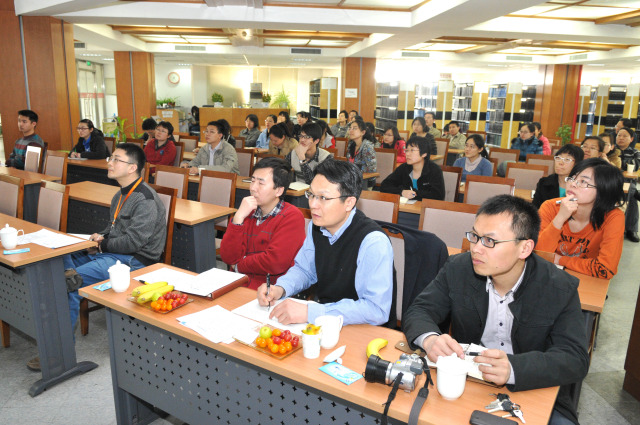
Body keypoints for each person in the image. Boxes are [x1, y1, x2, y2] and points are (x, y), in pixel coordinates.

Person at [403, 195, 589, 425]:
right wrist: (430, 339)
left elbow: (574, 358)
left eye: (489, 241)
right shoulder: (458, 268)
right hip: (467, 382)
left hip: (533, 388)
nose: (476, 249)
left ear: (525, 248)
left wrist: (513, 368)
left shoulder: (558, 287)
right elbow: (420, 310)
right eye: (474, 236)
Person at [59, 144, 166, 365]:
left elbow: (134, 242)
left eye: (116, 159)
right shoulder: (120, 194)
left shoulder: (145, 199)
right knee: (59, 258)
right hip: (115, 253)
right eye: (111, 158)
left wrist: (102, 245)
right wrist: (101, 236)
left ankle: (61, 353)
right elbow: (114, 226)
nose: (110, 163)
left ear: (132, 168)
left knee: (69, 282)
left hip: (135, 260)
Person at [256, 159, 395, 327]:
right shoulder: (316, 226)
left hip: (363, 329)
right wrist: (280, 288)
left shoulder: (373, 242)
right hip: (325, 321)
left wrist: (311, 312)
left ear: (349, 202)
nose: (313, 205)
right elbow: (305, 270)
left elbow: (376, 310)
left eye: (323, 197)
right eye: (311, 195)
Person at [220, 157, 305, 290]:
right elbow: (228, 257)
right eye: (252, 181)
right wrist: (238, 219)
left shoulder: (292, 217)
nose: (253, 188)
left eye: (261, 183)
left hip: (268, 290)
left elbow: (274, 262)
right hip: (236, 284)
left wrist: (239, 265)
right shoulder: (247, 211)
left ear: (279, 190)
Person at [537, 158, 625, 279]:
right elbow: (539, 255)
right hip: (549, 275)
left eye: (583, 181)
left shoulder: (613, 217)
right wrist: (560, 218)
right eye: (572, 178)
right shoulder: (551, 207)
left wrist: (560, 259)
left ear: (603, 190)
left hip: (586, 279)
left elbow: (605, 269)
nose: (572, 184)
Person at [380, 135, 444, 201]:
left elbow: (438, 195)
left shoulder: (434, 170)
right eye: (407, 150)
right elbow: (384, 186)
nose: (407, 154)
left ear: (424, 154)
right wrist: (402, 192)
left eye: (412, 150)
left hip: (427, 206)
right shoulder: (404, 168)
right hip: (406, 206)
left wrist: (414, 194)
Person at [532, 144, 584, 208]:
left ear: (577, 164)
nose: (560, 163)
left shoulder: (582, 187)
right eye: (558, 158)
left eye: (567, 159)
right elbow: (535, 209)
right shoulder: (544, 183)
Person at [616, 127, 640, 242]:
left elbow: (635, 166)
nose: (621, 138)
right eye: (619, 135)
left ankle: (631, 229)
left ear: (631, 139)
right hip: (613, 180)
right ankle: (629, 229)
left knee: (630, 192)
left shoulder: (635, 152)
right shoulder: (612, 150)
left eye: (624, 136)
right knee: (632, 193)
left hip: (628, 181)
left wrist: (620, 164)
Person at [346, 118, 377, 187]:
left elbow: (372, 169)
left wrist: (356, 170)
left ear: (363, 132)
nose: (351, 130)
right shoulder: (351, 145)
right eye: (350, 128)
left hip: (365, 181)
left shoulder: (367, 147)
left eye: (354, 128)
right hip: (353, 178)